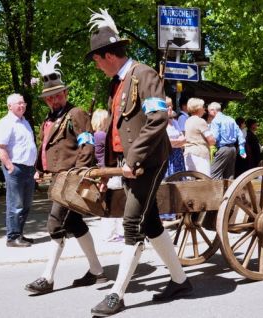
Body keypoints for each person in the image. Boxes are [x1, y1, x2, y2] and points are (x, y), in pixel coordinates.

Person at [86, 9, 193, 316]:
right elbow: (114, 126)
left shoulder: (144, 74)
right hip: (127, 162)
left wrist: (133, 159)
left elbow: (157, 119)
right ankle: (180, 280)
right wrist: (107, 169)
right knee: (151, 222)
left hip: (147, 160)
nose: (95, 64)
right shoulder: (117, 82)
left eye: (96, 58)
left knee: (132, 223)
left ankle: (116, 295)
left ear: (108, 55)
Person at [25, 50, 106, 294]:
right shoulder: (49, 120)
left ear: (65, 93)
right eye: (49, 98)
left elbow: (87, 144)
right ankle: (97, 272)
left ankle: (47, 277)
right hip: (57, 179)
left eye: (57, 95)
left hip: (70, 179)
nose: (53, 100)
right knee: (75, 223)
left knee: (54, 224)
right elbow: (45, 148)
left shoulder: (76, 113)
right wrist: (39, 169)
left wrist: (79, 173)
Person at [0, 93, 37, 247]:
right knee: (16, 204)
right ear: (9, 106)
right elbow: (0, 146)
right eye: (19, 103)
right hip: (16, 168)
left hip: (28, 169)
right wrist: (10, 167)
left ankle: (19, 234)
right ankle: (12, 237)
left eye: (23, 103)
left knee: (26, 204)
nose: (22, 105)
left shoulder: (24, 122)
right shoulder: (6, 123)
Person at [92, 109, 124, 242]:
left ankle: (112, 233)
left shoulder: (96, 135)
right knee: (114, 202)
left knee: (109, 202)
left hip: (103, 170)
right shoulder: (102, 136)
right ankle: (111, 234)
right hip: (109, 172)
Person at [161, 96, 186, 222]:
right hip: (166, 156)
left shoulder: (175, 122)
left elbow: (183, 140)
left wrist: (175, 142)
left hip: (177, 157)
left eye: (170, 105)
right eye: (167, 106)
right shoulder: (160, 124)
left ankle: (178, 210)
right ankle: (165, 213)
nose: (170, 108)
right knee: (167, 182)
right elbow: (165, 143)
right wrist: (177, 142)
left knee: (179, 182)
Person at [208, 102, 246, 179]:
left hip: (223, 149)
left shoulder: (215, 121)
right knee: (229, 175)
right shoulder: (231, 119)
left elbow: (215, 138)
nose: (209, 113)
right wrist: (242, 149)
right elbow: (240, 134)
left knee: (213, 173)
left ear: (213, 110)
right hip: (233, 149)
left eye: (209, 111)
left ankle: (216, 191)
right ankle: (228, 190)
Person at [183, 98, 215, 176]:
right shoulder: (200, 121)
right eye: (203, 106)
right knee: (205, 182)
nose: (204, 109)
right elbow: (211, 140)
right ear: (198, 108)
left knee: (191, 182)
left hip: (188, 154)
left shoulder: (187, 120)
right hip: (200, 155)